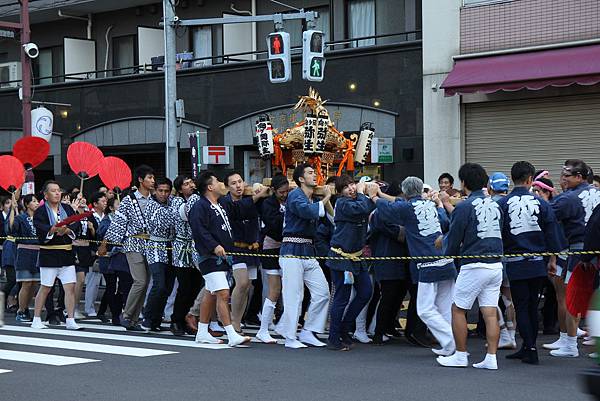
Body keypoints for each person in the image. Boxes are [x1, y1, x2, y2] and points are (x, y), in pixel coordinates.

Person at [375, 177, 457, 356]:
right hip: (446, 260)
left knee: (426, 309)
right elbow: (444, 223)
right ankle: (452, 346)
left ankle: (452, 340)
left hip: (428, 263)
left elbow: (387, 210)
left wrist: (374, 196)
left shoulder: (407, 207)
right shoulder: (430, 205)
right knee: (444, 307)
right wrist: (440, 204)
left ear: (405, 192)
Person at [188, 171, 269, 346]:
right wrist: (214, 246)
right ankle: (231, 333)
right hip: (209, 256)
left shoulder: (220, 204)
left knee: (210, 293)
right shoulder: (200, 206)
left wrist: (258, 195)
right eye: (218, 181)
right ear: (210, 187)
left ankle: (202, 331)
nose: (221, 184)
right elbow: (199, 230)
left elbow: (239, 209)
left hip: (223, 256)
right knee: (223, 293)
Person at [496, 161, 564, 364]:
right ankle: (528, 346)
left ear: (513, 179)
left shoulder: (503, 204)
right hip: (537, 262)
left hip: (515, 262)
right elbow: (552, 233)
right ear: (529, 180)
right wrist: (553, 259)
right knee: (532, 305)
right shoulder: (542, 203)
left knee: (522, 305)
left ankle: (530, 348)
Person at [438, 163, 504, 370]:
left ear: (463, 183)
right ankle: (491, 358)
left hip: (474, 264)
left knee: (458, 309)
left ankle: (460, 355)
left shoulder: (464, 207)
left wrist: (445, 252)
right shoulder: (495, 204)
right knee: (490, 312)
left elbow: (455, 236)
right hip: (496, 264)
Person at [546, 159, 600, 357]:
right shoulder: (596, 193)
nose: (563, 180)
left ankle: (570, 345)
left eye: (567, 176)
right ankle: (580, 342)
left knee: (572, 298)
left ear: (579, 177)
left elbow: (547, 217)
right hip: (591, 251)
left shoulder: (569, 198)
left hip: (579, 251)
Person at [276, 164, 331, 349]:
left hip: (308, 250)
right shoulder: (295, 195)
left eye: (314, 172)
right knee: (294, 295)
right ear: (300, 179)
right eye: (310, 173)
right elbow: (307, 212)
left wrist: (325, 200)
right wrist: (327, 197)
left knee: (323, 292)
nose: (314, 175)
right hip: (291, 249)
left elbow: (327, 221)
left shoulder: (311, 197)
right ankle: (290, 337)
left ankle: (308, 331)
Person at [325, 175, 376, 350]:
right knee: (342, 297)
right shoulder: (343, 204)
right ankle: (334, 336)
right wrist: (363, 192)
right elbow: (363, 207)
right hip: (341, 256)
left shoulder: (357, 202)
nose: (351, 188)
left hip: (357, 256)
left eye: (352, 184)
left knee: (365, 292)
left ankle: (345, 328)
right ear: (340, 192)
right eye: (346, 187)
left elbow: (368, 206)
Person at [103, 165, 154, 331]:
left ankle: (132, 319)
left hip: (151, 244)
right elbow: (118, 223)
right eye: (149, 178)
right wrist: (107, 243)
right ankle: (126, 315)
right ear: (140, 180)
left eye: (153, 178)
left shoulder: (154, 199)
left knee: (145, 283)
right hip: (133, 243)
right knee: (140, 280)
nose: (152, 181)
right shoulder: (128, 200)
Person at [31, 181, 84, 330]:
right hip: (49, 253)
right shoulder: (41, 211)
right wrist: (52, 230)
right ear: (46, 195)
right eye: (53, 191)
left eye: (58, 191)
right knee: (46, 287)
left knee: (70, 287)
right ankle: (36, 318)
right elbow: (39, 226)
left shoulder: (67, 208)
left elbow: (75, 224)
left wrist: (68, 230)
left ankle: (70, 319)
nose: (57, 193)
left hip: (66, 253)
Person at [223, 172, 261, 334]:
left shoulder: (250, 198)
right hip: (233, 248)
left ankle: (237, 320)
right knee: (242, 282)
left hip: (251, 248)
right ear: (227, 187)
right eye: (233, 183)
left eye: (240, 182)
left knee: (248, 286)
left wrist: (259, 189)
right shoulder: (225, 202)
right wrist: (255, 197)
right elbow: (236, 210)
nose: (238, 185)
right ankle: (231, 321)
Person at [256, 174, 289, 344]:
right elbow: (273, 225)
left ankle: (281, 323)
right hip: (270, 247)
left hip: (286, 248)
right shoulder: (268, 203)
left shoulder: (289, 200)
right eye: (282, 192)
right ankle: (264, 324)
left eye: (287, 191)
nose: (284, 194)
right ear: (274, 190)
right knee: (273, 288)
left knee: (287, 288)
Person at [170, 175, 203, 336]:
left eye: (191, 182)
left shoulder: (197, 199)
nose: (190, 185)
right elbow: (183, 217)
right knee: (184, 286)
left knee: (196, 285)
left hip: (195, 247)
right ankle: (176, 320)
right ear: (179, 189)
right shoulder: (177, 202)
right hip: (182, 248)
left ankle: (189, 319)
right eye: (185, 184)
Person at [141, 177, 176, 332]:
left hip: (172, 246)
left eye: (167, 191)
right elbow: (164, 221)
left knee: (167, 287)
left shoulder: (174, 202)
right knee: (159, 284)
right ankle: (147, 317)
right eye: (160, 191)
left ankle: (156, 319)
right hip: (155, 246)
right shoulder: (151, 205)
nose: (163, 194)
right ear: (155, 191)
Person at [488, 172, 517, 350]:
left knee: (489, 297)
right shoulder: (512, 202)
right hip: (511, 254)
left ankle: (504, 334)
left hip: (495, 255)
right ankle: (512, 336)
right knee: (509, 299)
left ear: (491, 187)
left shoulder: (491, 203)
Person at [12, 195, 40, 322]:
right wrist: (13, 210)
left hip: (38, 252)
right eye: (34, 201)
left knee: (34, 284)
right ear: (27, 204)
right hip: (24, 251)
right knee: (26, 282)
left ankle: (26, 308)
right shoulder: (21, 218)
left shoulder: (41, 218)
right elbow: (13, 232)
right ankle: (20, 310)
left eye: (37, 201)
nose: (37, 203)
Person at [82, 192, 106, 317]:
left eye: (106, 201)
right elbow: (87, 235)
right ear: (95, 204)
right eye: (102, 201)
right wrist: (92, 230)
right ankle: (89, 308)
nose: (105, 203)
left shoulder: (107, 216)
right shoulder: (89, 217)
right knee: (93, 281)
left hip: (107, 252)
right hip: (93, 252)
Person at [2, 196, 18, 314]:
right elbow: (10, 228)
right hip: (10, 249)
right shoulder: (10, 216)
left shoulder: (23, 215)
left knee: (21, 280)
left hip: (21, 250)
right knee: (12, 279)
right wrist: (13, 208)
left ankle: (12, 299)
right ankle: (4, 299)